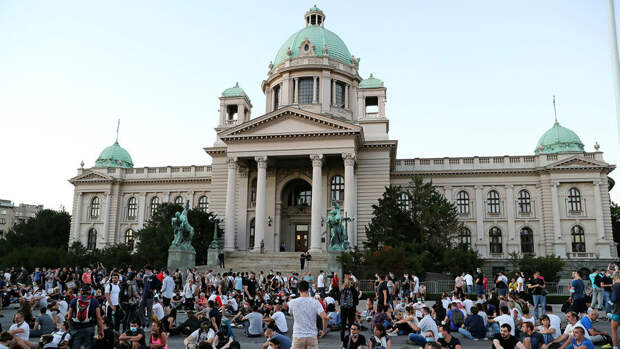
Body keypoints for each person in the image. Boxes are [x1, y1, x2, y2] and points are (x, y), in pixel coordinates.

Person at [288, 280, 328, 349]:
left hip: (298, 335)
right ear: (308, 290)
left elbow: (291, 315)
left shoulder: (292, 302)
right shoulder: (315, 302)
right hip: (312, 336)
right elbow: (325, 317)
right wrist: (323, 331)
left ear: (298, 290)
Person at [67, 284, 104, 349]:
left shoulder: (74, 300)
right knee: (88, 346)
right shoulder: (94, 301)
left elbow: (69, 317)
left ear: (81, 291)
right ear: (90, 291)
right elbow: (99, 317)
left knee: (76, 346)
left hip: (76, 327)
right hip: (89, 327)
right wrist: (101, 330)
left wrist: (71, 328)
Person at [139, 265, 158, 329]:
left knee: (149, 311)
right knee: (140, 310)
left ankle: (149, 324)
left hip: (150, 297)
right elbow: (143, 285)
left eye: (146, 270)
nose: (145, 271)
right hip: (144, 296)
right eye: (145, 270)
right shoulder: (145, 276)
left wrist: (154, 290)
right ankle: (143, 322)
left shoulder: (154, 277)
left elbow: (159, 285)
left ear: (149, 270)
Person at [340, 276, 359, 342]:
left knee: (343, 324)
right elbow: (356, 302)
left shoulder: (342, 289)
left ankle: (342, 340)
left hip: (343, 309)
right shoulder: (353, 289)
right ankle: (350, 339)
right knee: (351, 324)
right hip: (351, 309)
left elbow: (339, 300)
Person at [610, 271, 620, 349]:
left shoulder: (615, 285)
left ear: (615, 278)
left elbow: (613, 299)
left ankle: (615, 347)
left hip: (618, 311)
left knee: (614, 329)